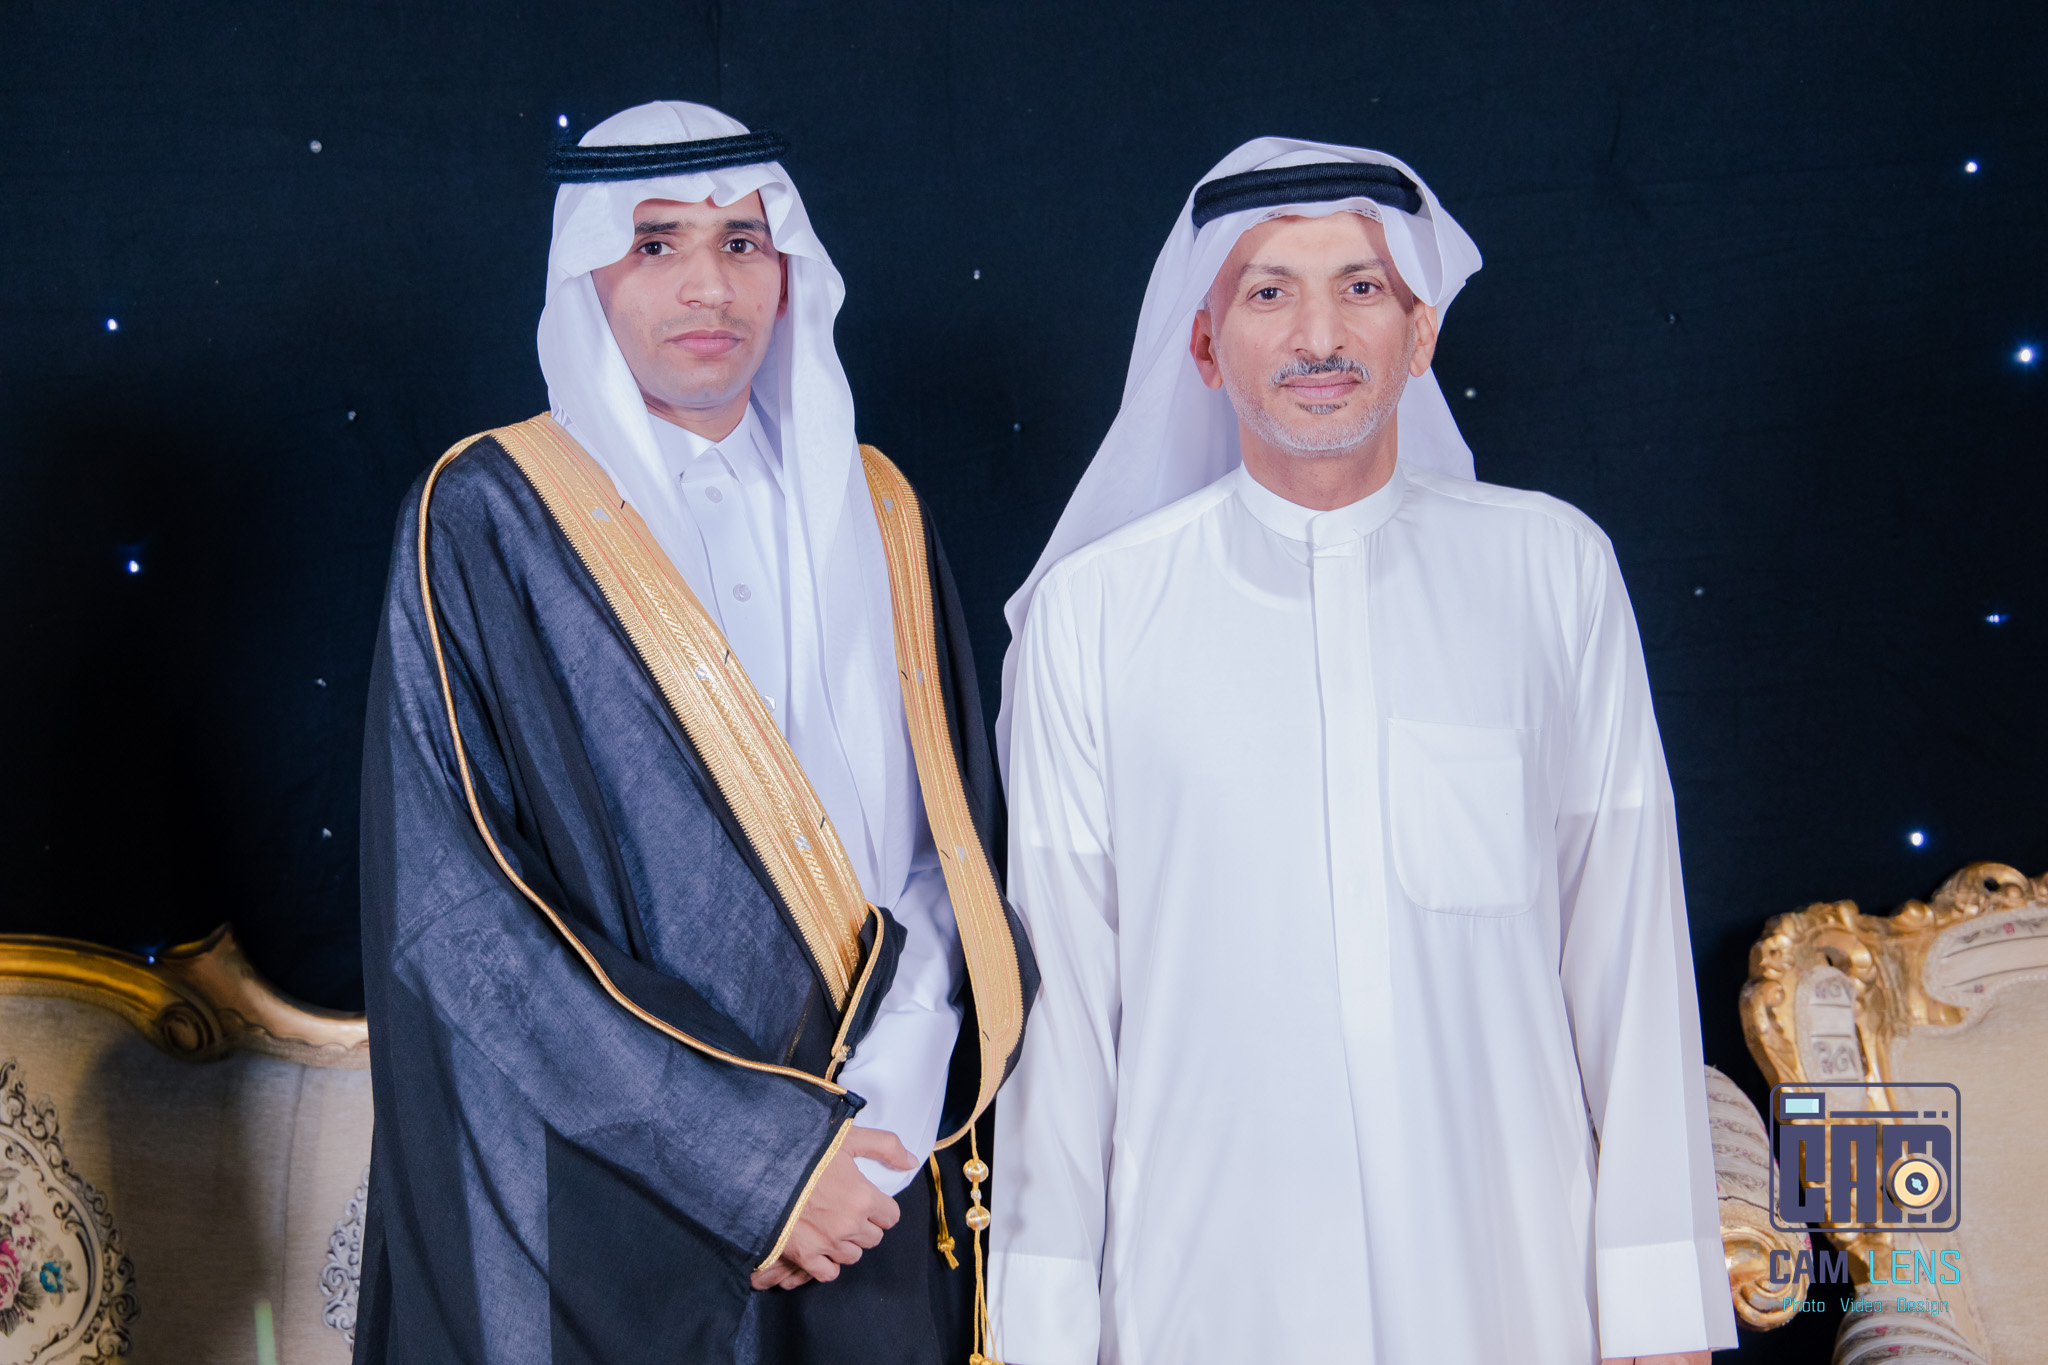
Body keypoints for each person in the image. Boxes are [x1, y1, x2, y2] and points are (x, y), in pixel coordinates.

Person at [988, 138, 1735, 1365]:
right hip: (1208, 1279)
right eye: (1268, 292)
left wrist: (1658, 1307)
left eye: (1361, 287)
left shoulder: (1549, 571)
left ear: (1419, 331)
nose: (1318, 336)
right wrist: (1043, 1328)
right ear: (1203, 344)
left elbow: (1628, 953)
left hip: (1506, 1271)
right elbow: (1062, 1009)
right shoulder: (1095, 614)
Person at [354, 100, 1035, 1365]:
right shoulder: (489, 513)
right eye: (656, 244)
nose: (707, 286)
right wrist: (750, 1165)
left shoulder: (878, 503)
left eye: (741, 243)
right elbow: (461, 914)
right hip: (619, 1192)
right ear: (587, 275)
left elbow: (948, 844)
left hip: (879, 1171)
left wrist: (879, 1109)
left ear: (789, 271)